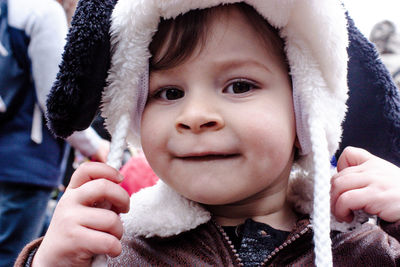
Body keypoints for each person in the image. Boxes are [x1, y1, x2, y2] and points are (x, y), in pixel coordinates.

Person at [15, 0, 400, 266]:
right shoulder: (113, 251)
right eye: (169, 93)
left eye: (239, 86)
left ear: (306, 112)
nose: (195, 116)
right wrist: (49, 260)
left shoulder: (368, 249)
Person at [0, 0, 109, 266]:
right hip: (27, 166)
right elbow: (59, 105)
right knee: (10, 255)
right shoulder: (43, 11)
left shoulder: (10, 10)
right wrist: (95, 147)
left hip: (7, 158)